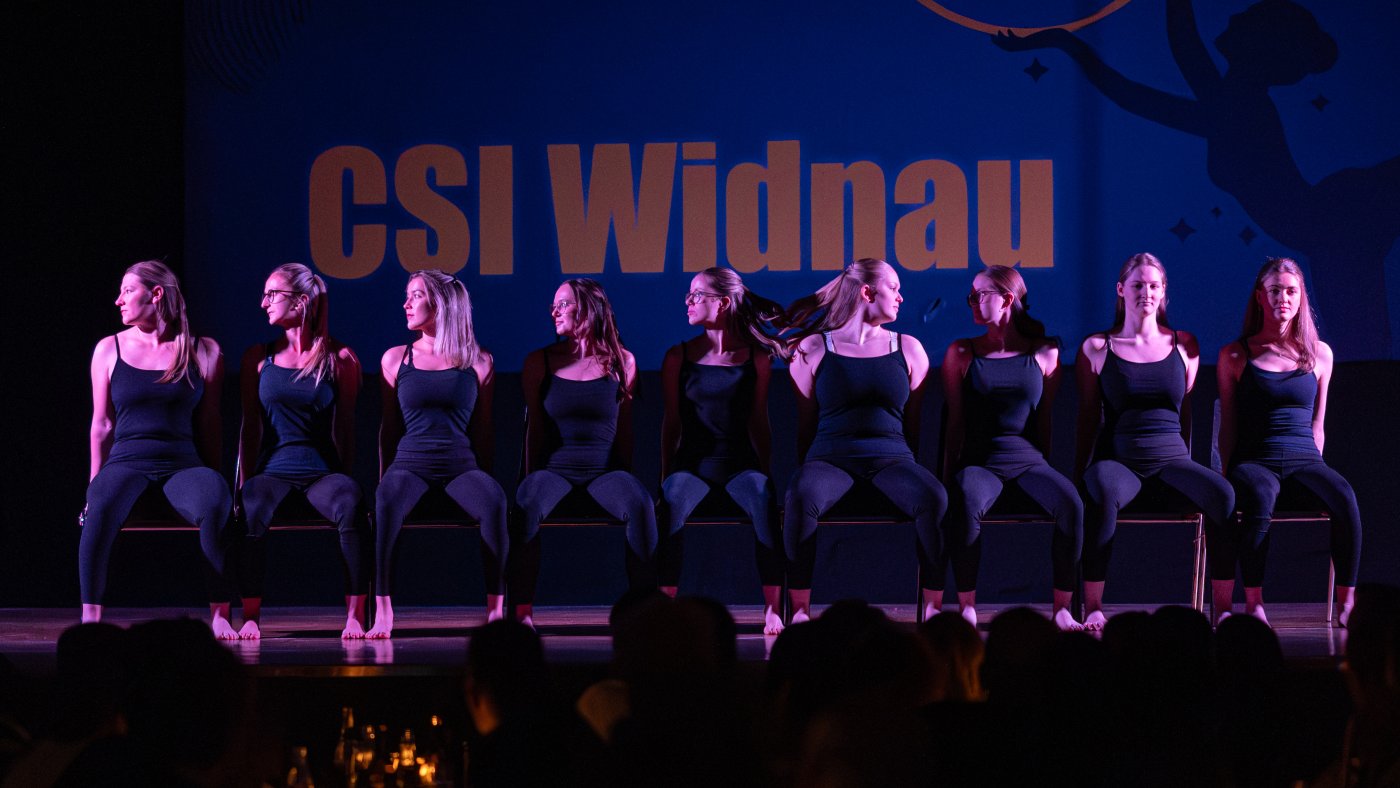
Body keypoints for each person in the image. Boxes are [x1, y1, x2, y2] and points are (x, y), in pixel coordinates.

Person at [1076, 252, 1234, 631]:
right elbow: (1088, 418)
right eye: (1137, 285)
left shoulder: (1185, 344)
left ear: (1163, 292)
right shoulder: (1097, 347)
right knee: (1100, 490)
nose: (1145, 292)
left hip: (1171, 462)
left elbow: (1185, 410)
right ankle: (1093, 606)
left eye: (1153, 285)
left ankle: (1224, 609)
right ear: (1121, 290)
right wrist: (1080, 472)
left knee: (1224, 495)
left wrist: (1187, 464)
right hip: (1121, 462)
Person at [784, 258, 947, 623]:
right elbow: (805, 423)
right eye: (894, 288)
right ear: (868, 292)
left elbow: (913, 423)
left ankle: (934, 609)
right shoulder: (813, 348)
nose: (901, 297)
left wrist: (908, 470)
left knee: (934, 496)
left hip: (892, 460)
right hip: (830, 459)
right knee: (801, 494)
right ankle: (799, 611)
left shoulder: (910, 348)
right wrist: (807, 470)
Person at [81, 261, 235, 636]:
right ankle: (90, 620)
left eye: (127, 291)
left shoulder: (203, 350)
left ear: (156, 294)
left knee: (215, 500)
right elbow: (102, 424)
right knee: (100, 503)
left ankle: (220, 615)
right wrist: (93, 484)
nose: (118, 300)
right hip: (127, 462)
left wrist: (212, 476)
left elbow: (210, 422)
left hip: (182, 464)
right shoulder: (109, 348)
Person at [1215, 257, 1360, 626]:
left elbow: (1318, 424)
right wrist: (1227, 473)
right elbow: (1228, 424)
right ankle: (1255, 603)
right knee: (1260, 495)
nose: (1283, 298)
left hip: (1304, 459)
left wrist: (1314, 471)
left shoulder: (1320, 354)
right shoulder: (1235, 354)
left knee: (1343, 496)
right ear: (1260, 297)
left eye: (1291, 291)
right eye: (1275, 290)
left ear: (1301, 298)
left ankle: (1347, 603)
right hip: (1254, 460)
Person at [941, 265, 1084, 631]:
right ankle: (967, 606)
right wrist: (946, 477)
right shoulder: (962, 351)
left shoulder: (1045, 352)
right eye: (971, 296)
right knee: (967, 498)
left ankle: (1062, 608)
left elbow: (1044, 420)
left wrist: (1043, 471)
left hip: (1027, 462)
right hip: (979, 463)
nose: (972, 302)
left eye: (979, 295)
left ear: (1006, 299)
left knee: (1071, 503)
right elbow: (954, 423)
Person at [370, 270, 508, 638]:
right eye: (407, 295)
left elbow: (484, 429)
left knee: (495, 500)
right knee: (386, 499)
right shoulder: (395, 359)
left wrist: (485, 476)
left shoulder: (479, 360)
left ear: (441, 303)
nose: (406, 304)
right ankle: (383, 611)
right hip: (409, 465)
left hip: (460, 466)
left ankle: (496, 612)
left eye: (415, 296)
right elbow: (389, 428)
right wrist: (385, 479)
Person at [234, 263, 368, 639]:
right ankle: (250, 617)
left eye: (272, 294)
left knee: (350, 500)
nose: (263, 303)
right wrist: (244, 484)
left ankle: (355, 616)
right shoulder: (257, 358)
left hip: (321, 472)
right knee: (252, 504)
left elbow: (346, 429)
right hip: (273, 471)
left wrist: (343, 476)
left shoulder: (340, 359)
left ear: (301, 301)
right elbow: (250, 428)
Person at [516, 279, 656, 627]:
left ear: (589, 309)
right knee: (525, 503)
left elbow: (625, 430)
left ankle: (645, 613)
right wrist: (530, 479)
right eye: (553, 305)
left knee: (641, 503)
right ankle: (521, 615)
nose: (554, 311)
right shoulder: (539, 362)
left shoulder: (622, 361)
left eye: (563, 304)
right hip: (555, 472)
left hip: (603, 473)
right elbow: (534, 430)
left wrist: (624, 481)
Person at [658, 267, 787, 634]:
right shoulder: (678, 357)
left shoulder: (756, 358)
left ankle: (772, 609)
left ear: (724, 303)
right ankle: (665, 608)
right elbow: (671, 423)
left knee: (762, 497)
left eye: (697, 295)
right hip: (691, 467)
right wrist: (665, 476)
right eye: (688, 294)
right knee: (670, 502)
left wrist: (765, 472)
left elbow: (759, 422)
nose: (688, 301)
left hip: (739, 465)